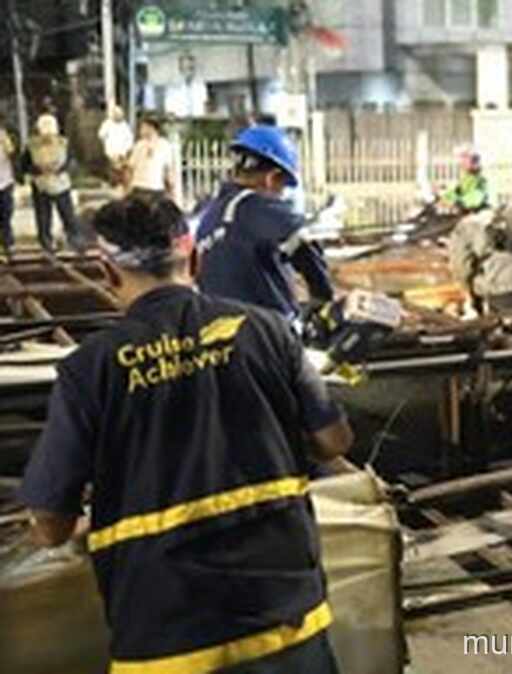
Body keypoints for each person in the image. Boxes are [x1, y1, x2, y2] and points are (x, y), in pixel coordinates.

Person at [18, 195, 351, 673]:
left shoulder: (89, 370)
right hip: (287, 622)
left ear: (106, 272)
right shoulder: (268, 330)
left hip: (166, 639)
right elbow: (333, 442)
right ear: (195, 259)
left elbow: (50, 523)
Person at [195, 125, 335, 326]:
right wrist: (323, 300)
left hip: (220, 335)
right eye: (283, 185)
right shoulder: (257, 206)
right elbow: (306, 246)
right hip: (267, 333)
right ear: (272, 178)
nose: (281, 193)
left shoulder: (210, 214)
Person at [21, 113, 84, 253]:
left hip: (61, 184)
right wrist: (38, 170)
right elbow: (24, 164)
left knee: (68, 215)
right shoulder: (32, 145)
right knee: (43, 218)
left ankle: (75, 242)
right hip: (40, 185)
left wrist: (60, 169)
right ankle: (46, 244)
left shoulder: (63, 143)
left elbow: (71, 161)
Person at [128, 116, 178, 202]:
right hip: (154, 188)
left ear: (151, 128)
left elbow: (130, 168)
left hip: (142, 188)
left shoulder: (140, 145)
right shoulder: (164, 145)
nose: (140, 130)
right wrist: (171, 189)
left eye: (142, 127)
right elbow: (168, 170)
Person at [439, 144, 490, 214]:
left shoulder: (481, 179)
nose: (461, 161)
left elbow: (476, 196)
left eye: (465, 157)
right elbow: (456, 192)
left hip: (478, 213)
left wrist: (459, 202)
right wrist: (444, 197)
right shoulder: (466, 177)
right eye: (461, 158)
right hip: (465, 210)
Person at [98, 105, 134, 189]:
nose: (117, 115)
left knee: (121, 168)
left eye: (119, 114)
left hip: (122, 152)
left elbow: (129, 139)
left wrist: (125, 151)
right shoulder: (107, 123)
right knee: (112, 168)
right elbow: (101, 135)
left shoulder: (125, 126)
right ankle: (112, 183)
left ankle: (121, 183)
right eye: (115, 114)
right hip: (111, 151)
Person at [0, 117, 16, 261]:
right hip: (5, 181)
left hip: (5, 182)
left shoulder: (3, 135)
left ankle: (8, 246)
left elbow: (11, 152)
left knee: (6, 217)